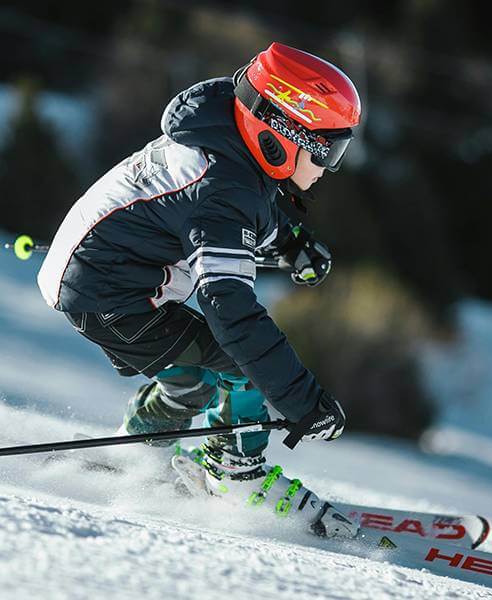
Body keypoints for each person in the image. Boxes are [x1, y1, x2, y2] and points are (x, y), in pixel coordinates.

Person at [37, 42, 362, 528]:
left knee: (194, 380)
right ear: (282, 134)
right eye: (327, 151)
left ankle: (138, 455)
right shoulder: (221, 190)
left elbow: (244, 210)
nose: (328, 168)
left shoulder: (225, 144)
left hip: (103, 279)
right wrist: (301, 401)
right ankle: (237, 476)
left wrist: (290, 242)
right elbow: (231, 312)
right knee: (241, 366)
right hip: (109, 295)